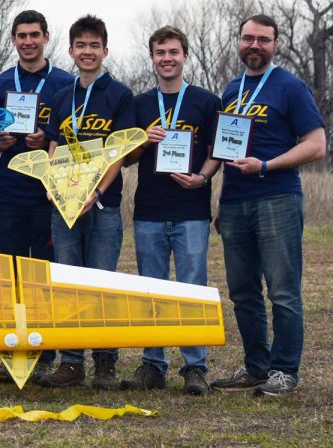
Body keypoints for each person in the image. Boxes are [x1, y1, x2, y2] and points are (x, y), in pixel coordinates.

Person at [209, 14, 325, 397]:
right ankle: (256, 366)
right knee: (242, 291)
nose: (254, 46)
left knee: (283, 291)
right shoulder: (231, 89)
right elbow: (225, 151)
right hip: (236, 202)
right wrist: (220, 202)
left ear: (275, 43)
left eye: (263, 39)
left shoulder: (290, 87)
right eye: (248, 38)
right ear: (238, 41)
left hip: (277, 197)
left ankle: (284, 370)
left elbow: (316, 144)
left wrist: (266, 165)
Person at [121, 26, 221, 396]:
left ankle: (195, 367)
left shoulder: (206, 101)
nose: (167, 58)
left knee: (191, 289)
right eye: (160, 51)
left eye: (174, 52)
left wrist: (202, 177)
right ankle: (153, 364)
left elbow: (216, 150)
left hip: (192, 209)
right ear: (152, 57)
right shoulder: (140, 103)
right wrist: (142, 141)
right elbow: (126, 159)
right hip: (149, 210)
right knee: (151, 290)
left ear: (185, 56)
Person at [40, 15, 135, 390]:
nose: (88, 51)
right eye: (81, 45)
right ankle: (72, 362)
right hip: (64, 206)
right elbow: (53, 145)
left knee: (101, 284)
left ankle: (105, 362)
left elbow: (119, 154)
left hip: (102, 206)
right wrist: (52, 182)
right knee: (68, 283)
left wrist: (94, 193)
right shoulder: (63, 95)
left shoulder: (119, 95)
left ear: (105, 51)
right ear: (71, 51)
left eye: (95, 45)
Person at [0, 9, 75, 385]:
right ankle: (16, 351)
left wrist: (48, 138)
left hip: (48, 194)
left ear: (46, 37)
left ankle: (47, 349)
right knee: (12, 274)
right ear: (13, 40)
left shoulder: (66, 83)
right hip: (9, 190)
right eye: (21, 36)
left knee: (45, 273)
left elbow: (73, 140)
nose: (27, 41)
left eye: (34, 35)